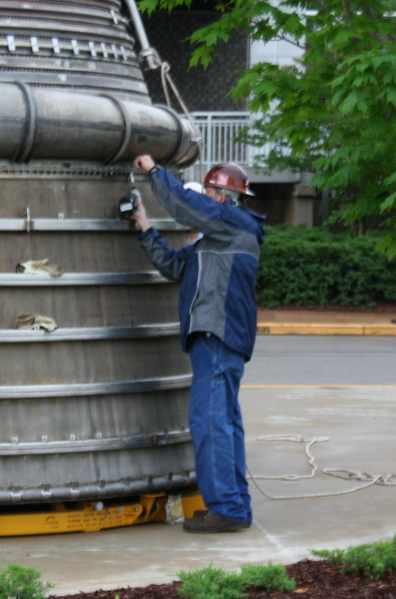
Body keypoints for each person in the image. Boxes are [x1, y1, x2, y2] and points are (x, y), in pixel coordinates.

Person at [129, 154, 266, 533]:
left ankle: (227, 507)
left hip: (218, 336)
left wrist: (154, 172)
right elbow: (175, 266)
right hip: (217, 338)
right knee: (224, 422)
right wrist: (144, 226)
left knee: (210, 422)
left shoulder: (237, 223)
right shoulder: (215, 240)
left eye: (209, 191)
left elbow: (188, 207)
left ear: (222, 196)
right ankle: (234, 505)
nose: (205, 197)